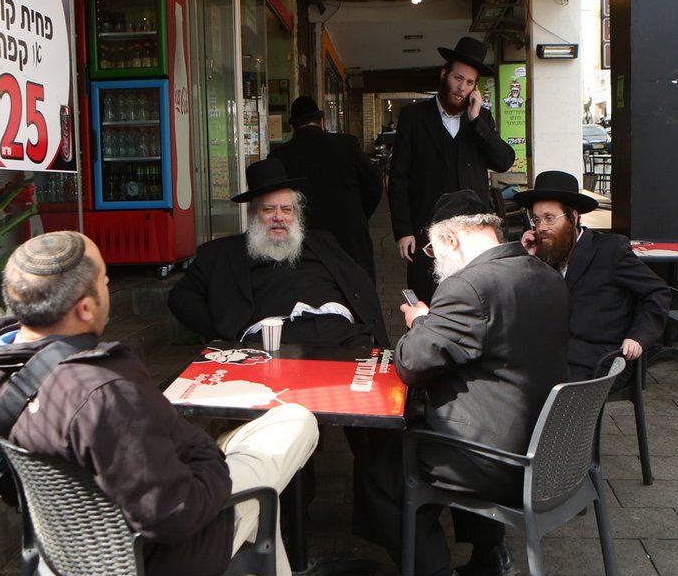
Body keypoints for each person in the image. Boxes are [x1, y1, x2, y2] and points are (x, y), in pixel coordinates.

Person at [0, 231, 321, 576]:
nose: (109, 285)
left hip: (66, 544)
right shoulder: (103, 396)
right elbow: (173, 514)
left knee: (261, 455)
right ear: (85, 307)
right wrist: (211, 461)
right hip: (145, 553)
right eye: (105, 280)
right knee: (296, 425)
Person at [355, 191, 570, 576]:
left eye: (433, 250)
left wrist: (421, 322)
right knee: (463, 420)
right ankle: (490, 554)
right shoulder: (546, 276)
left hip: (497, 462)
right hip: (548, 450)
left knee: (380, 462)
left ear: (452, 239)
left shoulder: (469, 286)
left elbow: (411, 364)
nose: (434, 262)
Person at [168, 158, 388, 347]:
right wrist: (219, 333)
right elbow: (180, 297)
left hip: (341, 334)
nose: (279, 217)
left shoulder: (322, 242)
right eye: (268, 209)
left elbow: (359, 282)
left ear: (296, 214)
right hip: (272, 342)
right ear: (253, 214)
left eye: (286, 209)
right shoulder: (221, 253)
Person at [388, 35, 516, 303]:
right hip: (427, 232)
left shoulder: (481, 118)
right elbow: (399, 178)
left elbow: (503, 161)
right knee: (427, 301)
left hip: (472, 234)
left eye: (469, 82)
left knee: (475, 299)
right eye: (458, 78)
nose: (462, 88)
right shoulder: (414, 117)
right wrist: (403, 230)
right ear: (444, 74)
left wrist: (476, 120)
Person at [514, 170, 671, 379]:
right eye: (536, 219)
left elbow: (657, 292)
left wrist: (638, 337)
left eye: (550, 218)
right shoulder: (545, 256)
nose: (541, 227)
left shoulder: (610, 250)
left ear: (573, 217)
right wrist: (527, 261)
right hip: (551, 353)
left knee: (531, 387)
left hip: (597, 360)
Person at [269, 96, 384, 280]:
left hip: (304, 240)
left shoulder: (279, 156)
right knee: (356, 288)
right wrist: (360, 213)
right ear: (322, 120)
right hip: (349, 235)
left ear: (292, 126)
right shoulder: (346, 144)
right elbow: (374, 185)